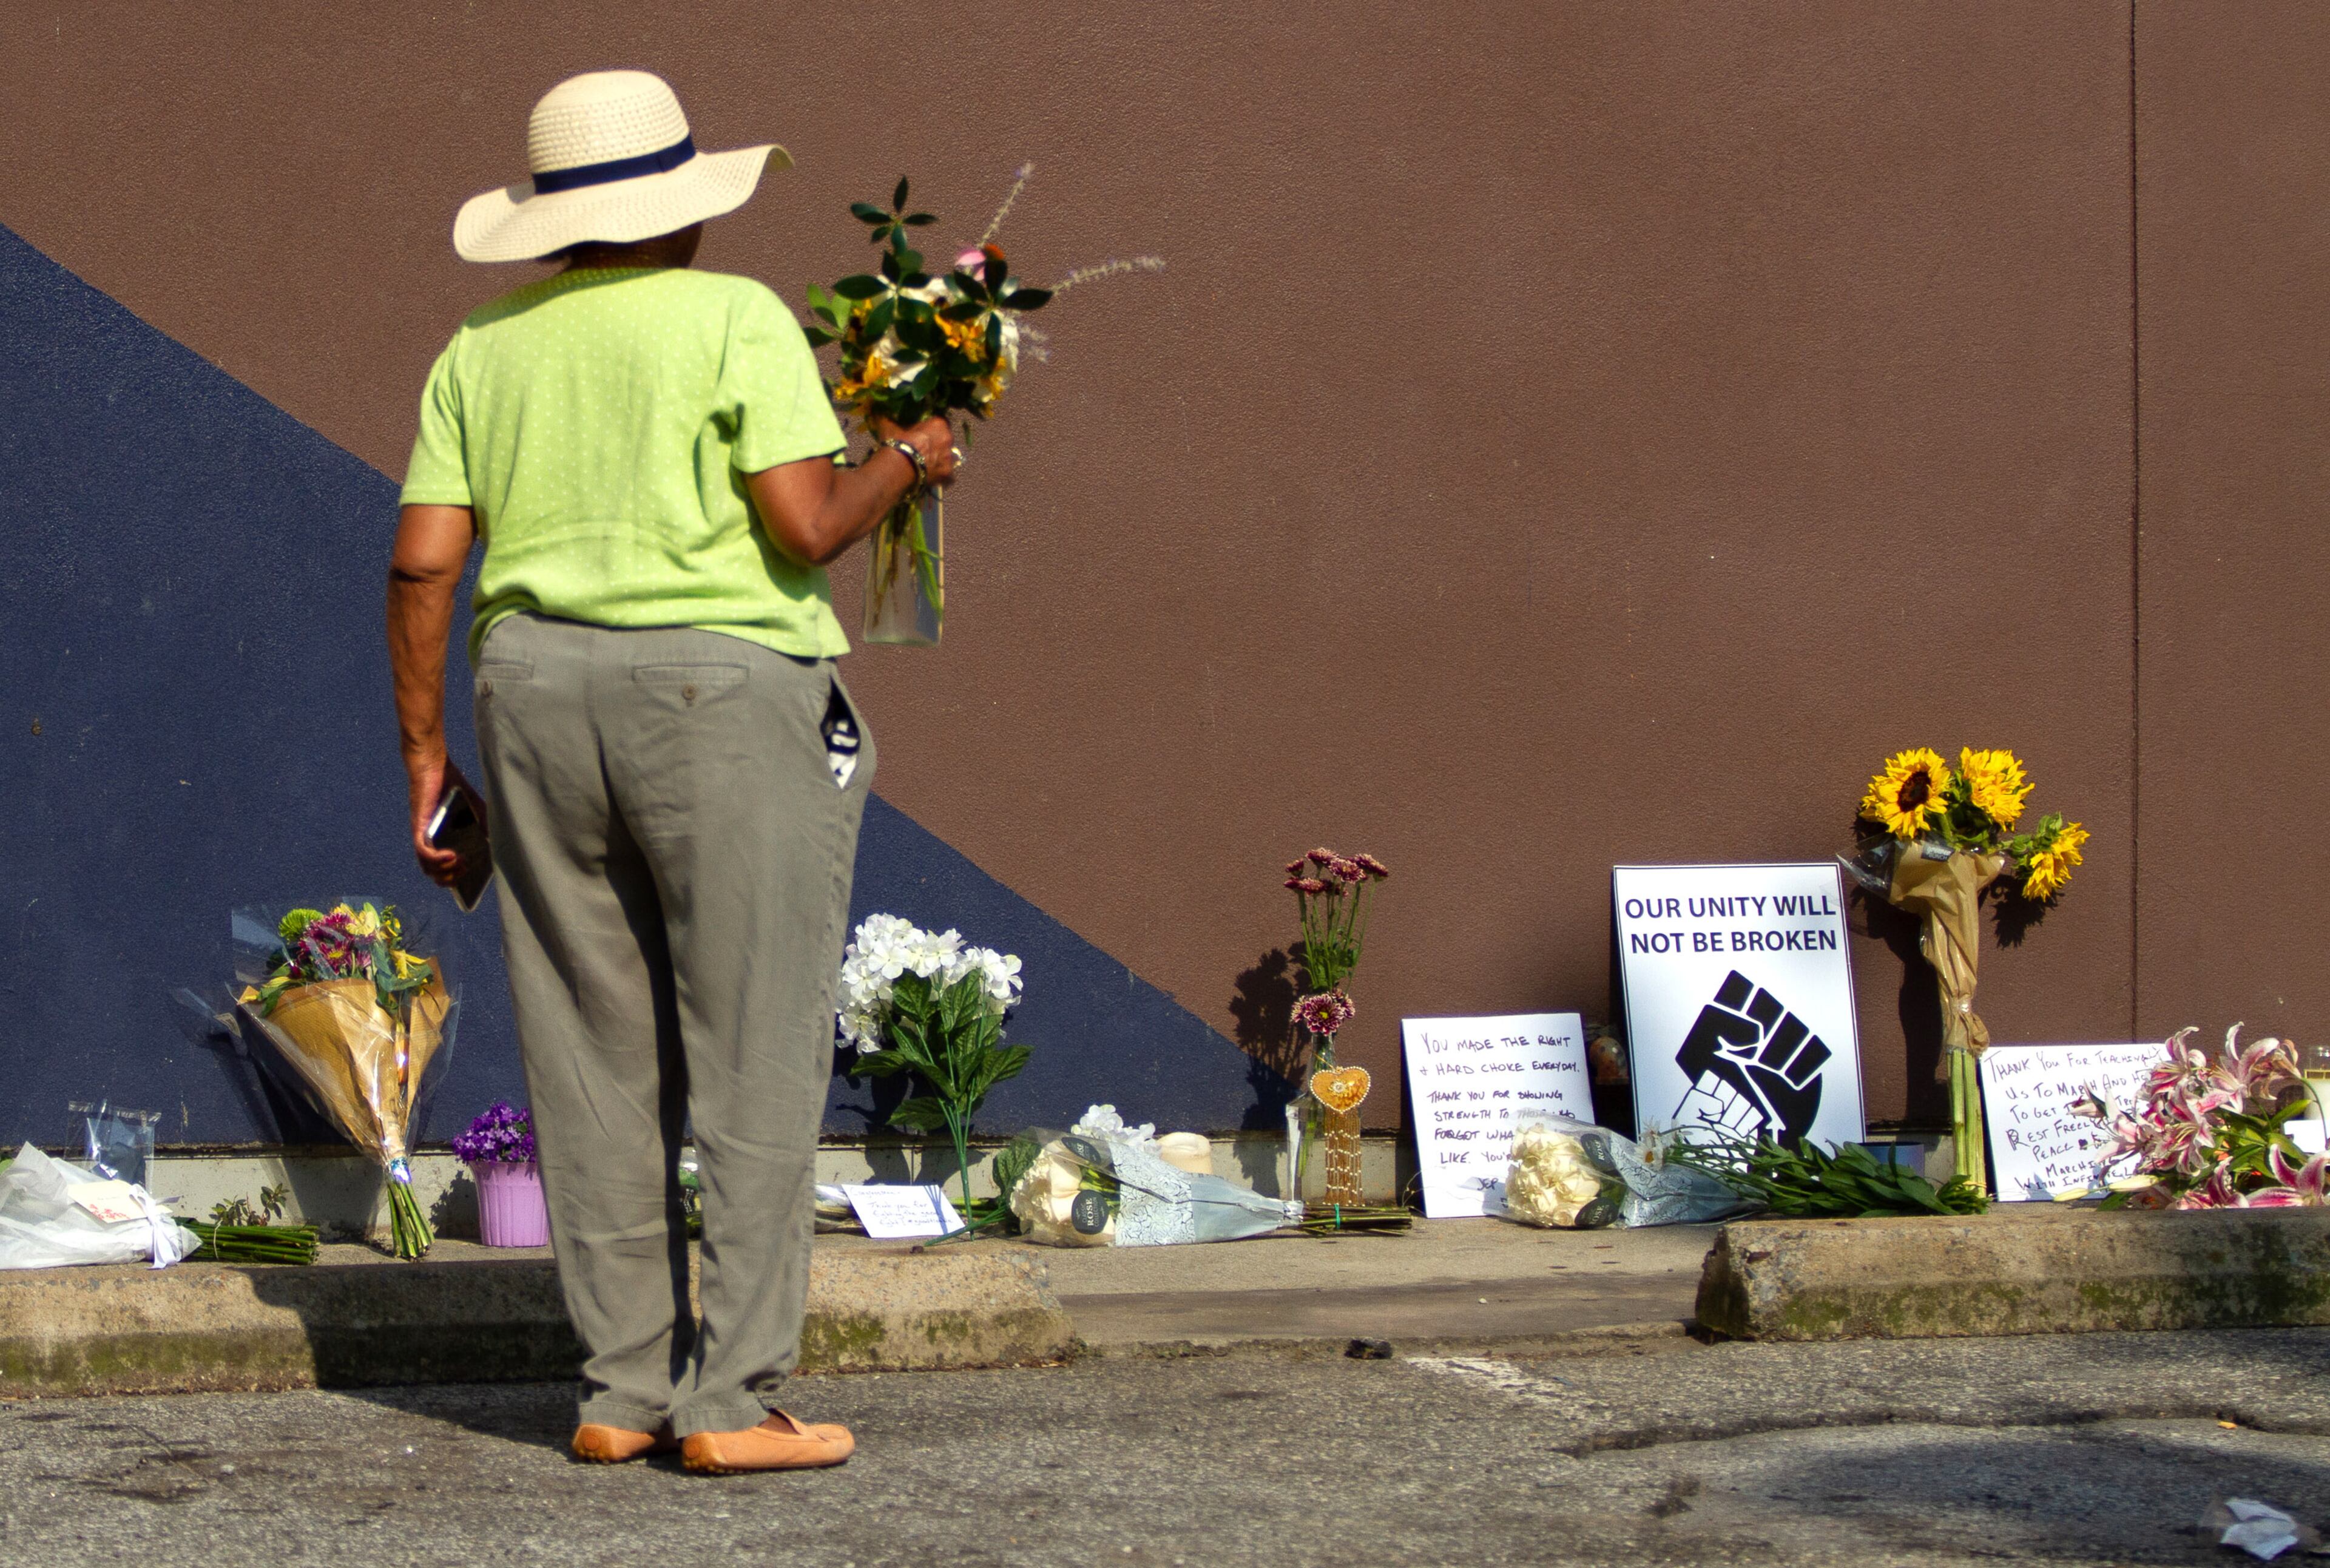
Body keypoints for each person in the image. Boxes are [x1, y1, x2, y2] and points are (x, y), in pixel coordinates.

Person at [385, 69, 959, 1474]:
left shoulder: (483, 343)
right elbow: (809, 524)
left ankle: (620, 1387)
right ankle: (733, 1399)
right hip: (718, 695)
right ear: (688, 211)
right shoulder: (735, 317)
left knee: (589, 1053)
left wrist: (426, 759)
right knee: (753, 1042)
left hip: (528, 692)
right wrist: (911, 454)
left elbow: (422, 560)